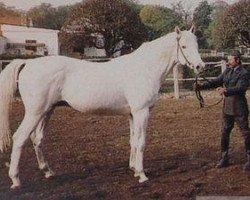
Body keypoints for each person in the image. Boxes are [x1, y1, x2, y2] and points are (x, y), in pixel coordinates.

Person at [194, 50, 250, 170]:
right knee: (224, 132)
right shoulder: (228, 71)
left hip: (239, 108)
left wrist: (226, 91)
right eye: (228, 59)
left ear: (237, 60)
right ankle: (224, 158)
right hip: (227, 108)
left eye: (230, 60)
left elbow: (241, 88)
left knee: (246, 134)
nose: (228, 62)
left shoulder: (244, 73)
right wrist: (201, 86)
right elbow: (216, 81)